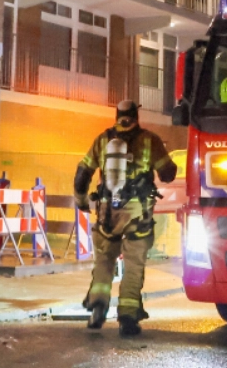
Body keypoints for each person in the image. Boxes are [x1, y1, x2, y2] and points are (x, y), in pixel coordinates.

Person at [74, 100, 177, 336]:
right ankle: (128, 315)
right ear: (135, 116)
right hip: (137, 213)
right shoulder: (150, 140)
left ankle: (98, 305)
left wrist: (81, 201)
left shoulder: (102, 140)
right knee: (133, 264)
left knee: (104, 259)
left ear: (117, 115)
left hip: (107, 212)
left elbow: (82, 175)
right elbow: (168, 173)